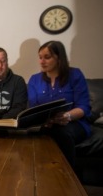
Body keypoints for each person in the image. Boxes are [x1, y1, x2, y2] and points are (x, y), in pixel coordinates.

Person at [27, 40, 91, 168]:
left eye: (47, 57)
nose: (42, 61)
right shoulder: (34, 79)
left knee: (60, 133)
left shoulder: (75, 75)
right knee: (33, 134)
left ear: (59, 58)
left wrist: (67, 116)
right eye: (40, 58)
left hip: (73, 123)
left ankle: (67, 179)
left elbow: (84, 107)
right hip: (46, 124)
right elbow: (33, 108)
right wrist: (43, 119)